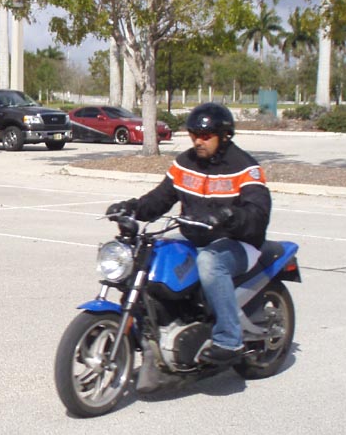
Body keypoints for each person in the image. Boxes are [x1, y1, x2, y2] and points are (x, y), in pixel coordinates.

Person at [106, 102, 271, 365]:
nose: (198, 141)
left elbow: (258, 213)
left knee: (210, 263)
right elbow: (160, 199)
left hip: (238, 242)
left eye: (205, 136)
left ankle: (229, 340)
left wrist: (228, 216)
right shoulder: (185, 163)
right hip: (195, 236)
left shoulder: (244, 168)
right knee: (150, 254)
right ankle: (163, 322)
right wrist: (132, 208)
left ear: (224, 136)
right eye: (194, 135)